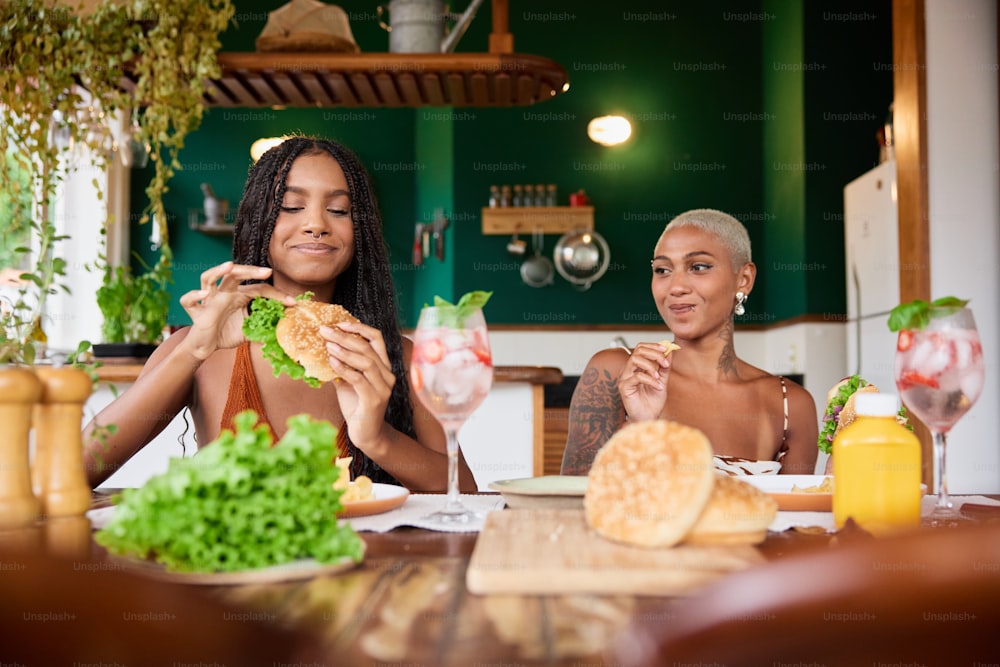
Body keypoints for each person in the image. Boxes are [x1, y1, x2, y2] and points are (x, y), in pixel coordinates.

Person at [83, 136, 476, 492]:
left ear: (361, 232)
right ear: (259, 222)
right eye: (291, 206)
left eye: (339, 210)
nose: (316, 224)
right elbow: (80, 469)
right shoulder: (197, 350)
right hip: (229, 571)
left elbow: (466, 496)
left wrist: (378, 439)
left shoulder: (394, 357)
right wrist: (192, 352)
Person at [560, 208, 818, 476]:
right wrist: (639, 426)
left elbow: (796, 511)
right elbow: (569, 504)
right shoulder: (616, 372)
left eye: (698, 267)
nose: (675, 287)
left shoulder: (790, 405)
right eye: (662, 270)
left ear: (744, 279)